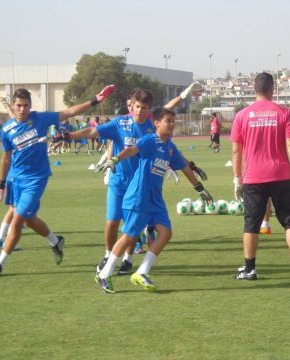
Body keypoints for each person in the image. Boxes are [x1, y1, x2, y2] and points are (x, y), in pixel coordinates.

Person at [60, 83, 205, 276]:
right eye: (137, 106)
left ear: (149, 111)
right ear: (131, 106)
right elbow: (92, 132)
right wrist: (68, 136)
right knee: (112, 222)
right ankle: (108, 254)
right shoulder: (120, 123)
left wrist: (190, 165)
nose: (140, 111)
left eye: (144, 108)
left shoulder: (153, 126)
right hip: (118, 181)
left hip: (140, 186)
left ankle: (128, 260)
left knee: (132, 227)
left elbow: (168, 113)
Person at [0, 84, 114, 277]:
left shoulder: (40, 118)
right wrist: (1, 182)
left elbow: (69, 112)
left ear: (30, 106)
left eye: (26, 105)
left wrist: (95, 100)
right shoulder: (7, 129)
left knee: (18, 218)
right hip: (15, 179)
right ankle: (56, 241)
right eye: (19, 105)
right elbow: (6, 158)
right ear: (13, 105)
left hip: (36, 178)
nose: (22, 109)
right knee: (29, 220)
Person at [94, 107, 213, 293]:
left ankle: (141, 272)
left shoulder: (170, 147)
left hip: (155, 199)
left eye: (173, 121)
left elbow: (184, 167)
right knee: (129, 236)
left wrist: (199, 188)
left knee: (166, 233)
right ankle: (104, 274)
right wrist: (115, 160)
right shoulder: (150, 140)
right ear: (157, 123)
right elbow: (131, 149)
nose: (172, 124)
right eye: (168, 121)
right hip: (139, 196)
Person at [231, 72, 290, 280]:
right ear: (272, 89)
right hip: (280, 174)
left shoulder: (241, 116)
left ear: (254, 89)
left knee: (251, 223)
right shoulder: (283, 112)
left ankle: (250, 268)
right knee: (289, 220)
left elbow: (236, 151)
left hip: (253, 177)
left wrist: (236, 179)